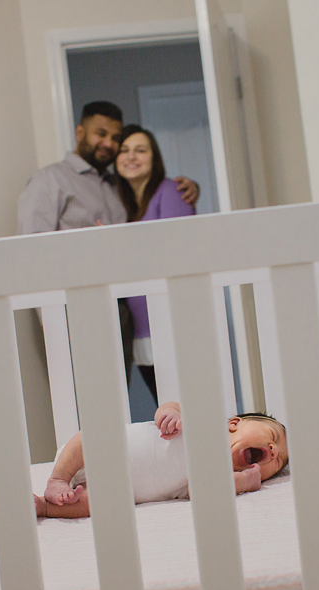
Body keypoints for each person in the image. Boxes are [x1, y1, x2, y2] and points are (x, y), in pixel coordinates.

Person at [16, 102, 198, 382]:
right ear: (80, 133)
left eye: (115, 138)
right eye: (100, 134)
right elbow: (32, 252)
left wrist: (190, 187)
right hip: (78, 312)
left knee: (121, 396)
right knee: (88, 397)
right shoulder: (51, 180)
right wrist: (53, 323)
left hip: (124, 314)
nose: (109, 144)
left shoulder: (116, 186)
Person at [34, 403, 289, 519]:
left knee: (107, 504)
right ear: (234, 424)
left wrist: (243, 482)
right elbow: (169, 406)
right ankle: (59, 477)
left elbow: (198, 491)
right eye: (272, 436)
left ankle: (46, 508)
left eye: (277, 462)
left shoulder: (220, 477)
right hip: (101, 451)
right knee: (93, 436)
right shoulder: (202, 425)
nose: (273, 450)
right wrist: (170, 413)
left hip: (117, 489)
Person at [114, 124, 197, 402]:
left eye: (140, 150)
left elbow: (178, 255)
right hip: (141, 327)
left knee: (187, 406)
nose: (131, 156)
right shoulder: (121, 203)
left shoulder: (172, 191)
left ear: (154, 157)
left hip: (171, 322)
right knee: (166, 408)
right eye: (124, 150)